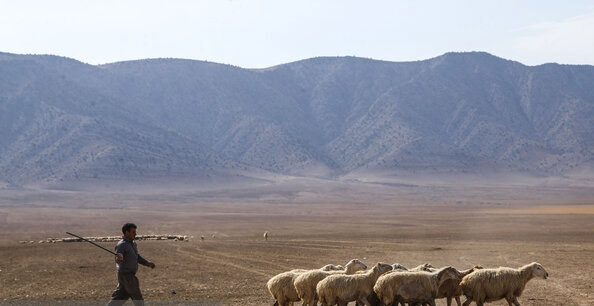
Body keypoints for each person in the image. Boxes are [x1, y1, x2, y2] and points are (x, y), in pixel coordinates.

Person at [107, 223, 155, 306]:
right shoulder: (122, 245)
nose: (135, 234)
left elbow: (137, 257)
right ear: (126, 232)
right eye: (133, 232)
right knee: (137, 297)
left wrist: (147, 263)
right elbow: (118, 259)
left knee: (119, 297)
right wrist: (120, 258)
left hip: (126, 276)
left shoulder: (133, 243)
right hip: (127, 276)